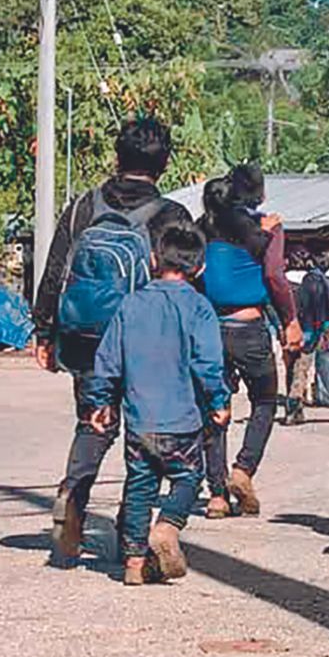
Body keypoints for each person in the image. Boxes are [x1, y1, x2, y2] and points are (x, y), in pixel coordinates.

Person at [32, 118, 192, 564]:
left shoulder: (84, 205)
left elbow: (55, 270)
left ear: (117, 157)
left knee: (94, 422)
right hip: (147, 339)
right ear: (163, 164)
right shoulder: (172, 216)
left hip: (85, 338)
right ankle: (131, 532)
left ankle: (73, 495)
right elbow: (185, 284)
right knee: (145, 433)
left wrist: (44, 330)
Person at [84, 225, 231, 585]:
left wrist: (101, 401)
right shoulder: (200, 307)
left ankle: (134, 563)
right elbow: (207, 363)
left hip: (138, 421)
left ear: (152, 260)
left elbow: (108, 359)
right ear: (199, 269)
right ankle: (166, 527)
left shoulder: (131, 303)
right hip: (181, 420)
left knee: (139, 486)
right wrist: (219, 400)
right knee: (188, 478)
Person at [198, 165, 302, 519]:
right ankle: (243, 470)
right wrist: (291, 320)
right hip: (250, 327)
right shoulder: (265, 227)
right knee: (265, 401)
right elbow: (274, 277)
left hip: (211, 327)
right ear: (260, 193)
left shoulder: (205, 227)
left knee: (214, 405)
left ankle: (215, 495)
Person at [281, 265, 329, 426]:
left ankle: (294, 408)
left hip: (288, 330)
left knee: (291, 367)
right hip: (310, 332)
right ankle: (294, 407)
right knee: (301, 369)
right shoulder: (318, 280)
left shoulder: (284, 281)